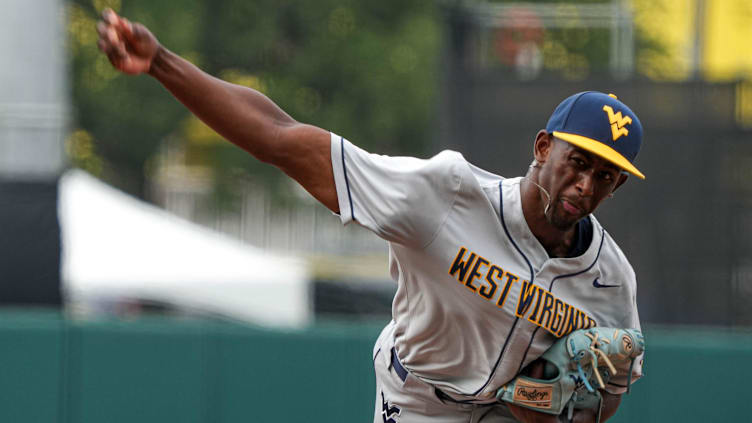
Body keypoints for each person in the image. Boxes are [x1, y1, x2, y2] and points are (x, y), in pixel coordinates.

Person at [96, 8, 644, 423]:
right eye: (578, 163)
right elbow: (281, 138)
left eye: (606, 176)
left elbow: (605, 393)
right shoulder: (446, 194)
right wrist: (161, 63)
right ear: (544, 147)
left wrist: (559, 401)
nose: (586, 184)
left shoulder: (610, 278)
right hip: (418, 403)